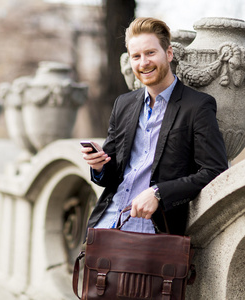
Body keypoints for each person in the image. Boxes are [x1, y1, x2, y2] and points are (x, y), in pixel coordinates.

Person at [81, 17, 228, 235]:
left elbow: (215, 170)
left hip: (153, 232)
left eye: (150, 53)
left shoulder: (197, 106)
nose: (143, 63)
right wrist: (99, 166)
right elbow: (112, 175)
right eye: (136, 56)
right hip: (105, 225)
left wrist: (159, 193)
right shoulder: (124, 104)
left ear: (168, 54)